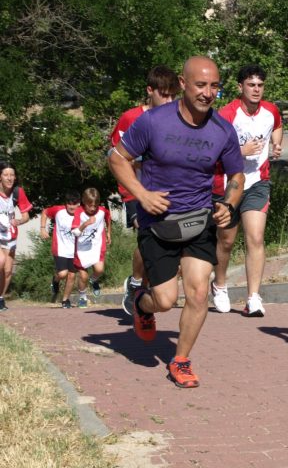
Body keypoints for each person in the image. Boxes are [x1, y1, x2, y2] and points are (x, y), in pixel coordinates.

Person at [108, 56, 245, 389]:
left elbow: (237, 175)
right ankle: (142, 303)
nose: (208, 93)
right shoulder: (153, 122)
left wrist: (228, 203)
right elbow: (117, 158)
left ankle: (180, 360)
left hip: (199, 220)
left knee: (198, 293)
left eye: (214, 86)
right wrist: (142, 194)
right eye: (200, 85)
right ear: (183, 84)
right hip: (158, 222)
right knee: (166, 301)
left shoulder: (222, 130)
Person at [211, 64, 283, 315]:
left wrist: (276, 144)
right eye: (251, 85)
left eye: (260, 85)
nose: (256, 90)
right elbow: (212, 152)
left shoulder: (270, 110)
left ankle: (254, 297)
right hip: (230, 183)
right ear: (240, 87)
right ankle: (219, 285)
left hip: (258, 182)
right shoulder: (226, 114)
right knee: (227, 240)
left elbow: (277, 125)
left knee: (255, 237)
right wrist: (240, 152)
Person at [109, 66, 181, 312]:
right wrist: (134, 188)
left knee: (164, 241)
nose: (169, 101)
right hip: (136, 190)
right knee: (145, 235)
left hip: (166, 191)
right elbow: (117, 156)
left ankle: (147, 292)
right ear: (150, 91)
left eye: (173, 95)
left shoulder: (178, 118)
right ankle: (136, 282)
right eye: (164, 94)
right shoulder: (131, 118)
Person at [70, 188, 112, 308]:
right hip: (81, 248)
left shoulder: (102, 211)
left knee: (99, 270)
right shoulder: (79, 212)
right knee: (83, 276)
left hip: (96, 245)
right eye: (90, 205)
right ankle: (82, 297)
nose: (93, 208)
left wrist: (109, 233)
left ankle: (93, 280)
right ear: (83, 202)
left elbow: (108, 218)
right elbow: (75, 232)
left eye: (95, 205)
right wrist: (85, 224)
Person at [41, 190, 82, 309]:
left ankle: (65, 300)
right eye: (69, 203)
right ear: (66, 204)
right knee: (63, 274)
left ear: (79, 203)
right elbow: (45, 212)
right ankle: (55, 279)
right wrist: (43, 228)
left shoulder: (82, 214)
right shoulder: (58, 210)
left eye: (74, 203)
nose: (71, 206)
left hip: (75, 251)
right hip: (60, 248)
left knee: (72, 276)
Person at [0, 162, 32, 311]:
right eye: (6, 175)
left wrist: (17, 221)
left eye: (12, 175)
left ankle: (0, 298)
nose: (9, 178)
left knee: (7, 270)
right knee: (0, 261)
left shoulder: (18, 192)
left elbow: (26, 216)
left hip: (10, 234)